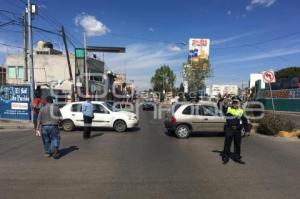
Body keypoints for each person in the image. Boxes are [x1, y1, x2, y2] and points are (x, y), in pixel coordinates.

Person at [222, 96, 250, 164]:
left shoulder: (241, 111)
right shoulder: (228, 109)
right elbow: (223, 108)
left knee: (237, 144)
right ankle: (226, 157)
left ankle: (237, 157)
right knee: (227, 144)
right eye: (233, 102)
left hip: (237, 130)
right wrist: (225, 102)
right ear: (232, 103)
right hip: (229, 129)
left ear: (239, 103)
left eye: (236, 102)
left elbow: (245, 121)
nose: (235, 103)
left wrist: (247, 130)